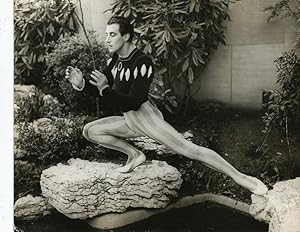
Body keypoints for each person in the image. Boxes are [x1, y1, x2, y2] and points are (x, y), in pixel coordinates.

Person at [65, 16, 268, 195]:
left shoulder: (142, 62)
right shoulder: (115, 61)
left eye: (112, 34)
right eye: (106, 34)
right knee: (90, 131)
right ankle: (135, 155)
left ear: (126, 37)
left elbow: (135, 101)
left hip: (146, 118)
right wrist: (81, 83)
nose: (106, 39)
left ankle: (243, 179)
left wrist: (106, 89)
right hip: (130, 120)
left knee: (191, 151)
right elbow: (102, 91)